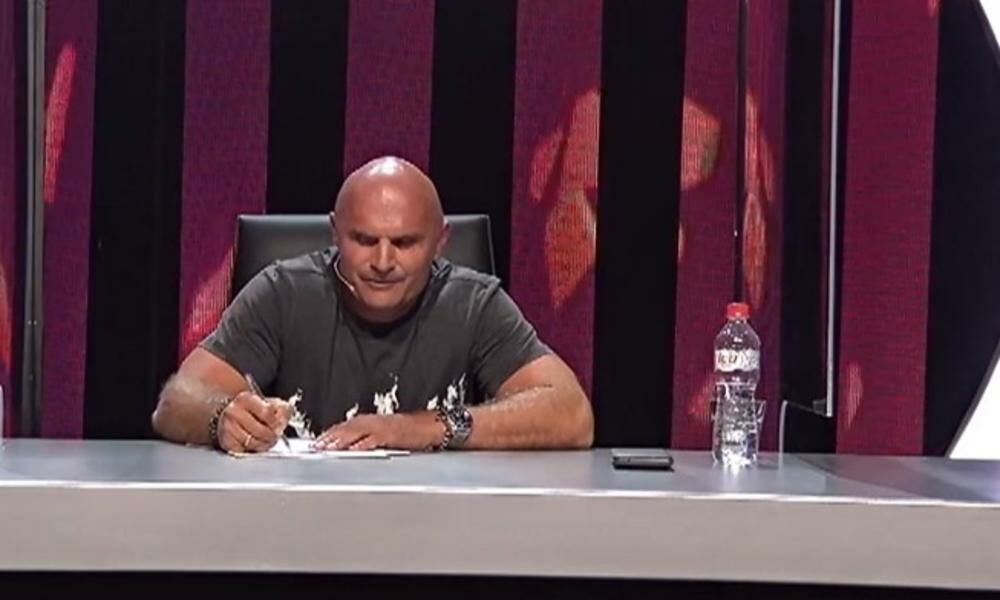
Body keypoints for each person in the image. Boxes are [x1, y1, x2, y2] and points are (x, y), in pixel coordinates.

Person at [152, 156, 593, 453]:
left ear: (440, 241)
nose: (383, 262)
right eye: (364, 240)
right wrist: (221, 417)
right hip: (294, 531)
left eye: (404, 243)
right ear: (334, 232)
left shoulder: (473, 303)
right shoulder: (283, 292)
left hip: (443, 531)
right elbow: (175, 401)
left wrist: (421, 428)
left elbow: (572, 415)